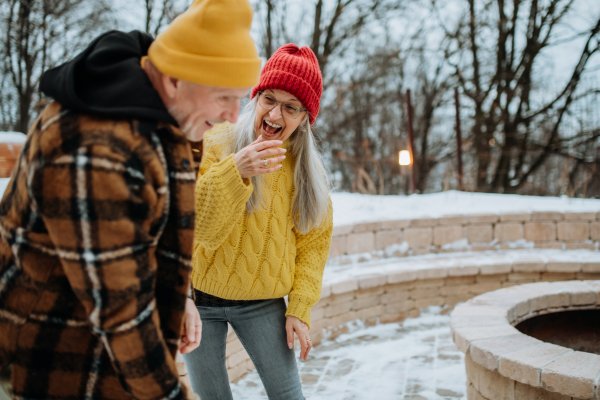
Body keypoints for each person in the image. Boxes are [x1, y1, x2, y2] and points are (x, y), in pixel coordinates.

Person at [0, 0, 262, 399]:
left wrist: (180, 295)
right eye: (224, 97)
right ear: (175, 80)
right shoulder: (96, 150)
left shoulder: (161, 110)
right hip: (43, 358)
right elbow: (121, 310)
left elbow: (157, 228)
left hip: (99, 349)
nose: (232, 115)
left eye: (240, 97)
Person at [183, 44, 333, 399]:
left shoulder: (307, 174)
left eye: (291, 107)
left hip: (263, 302)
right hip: (199, 300)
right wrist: (236, 170)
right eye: (269, 99)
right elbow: (199, 228)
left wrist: (300, 307)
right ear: (256, 98)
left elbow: (313, 245)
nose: (276, 114)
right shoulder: (215, 142)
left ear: (304, 119)